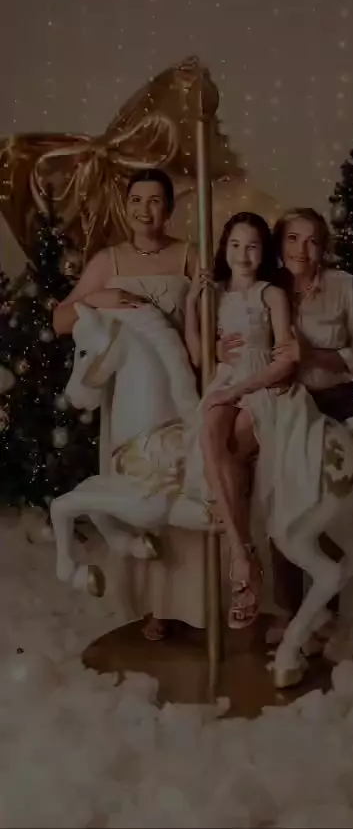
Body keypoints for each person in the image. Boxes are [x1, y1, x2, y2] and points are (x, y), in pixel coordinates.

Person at [53, 167, 202, 642]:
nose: (144, 210)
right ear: (126, 206)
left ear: (169, 208)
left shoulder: (189, 255)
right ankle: (152, 605)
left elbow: (211, 316)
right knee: (136, 493)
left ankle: (195, 602)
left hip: (182, 388)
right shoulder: (108, 260)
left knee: (185, 489)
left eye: (155, 200)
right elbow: (61, 319)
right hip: (133, 401)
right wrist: (100, 296)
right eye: (136, 200)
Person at [216, 207, 353, 641]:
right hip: (282, 400)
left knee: (322, 504)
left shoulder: (342, 286)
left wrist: (316, 356)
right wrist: (218, 348)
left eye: (312, 241)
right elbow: (240, 334)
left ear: (323, 247)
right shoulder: (268, 287)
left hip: (331, 400)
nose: (301, 250)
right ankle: (288, 608)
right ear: (279, 243)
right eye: (292, 238)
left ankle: (325, 613)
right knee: (281, 501)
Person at [185, 211, 326, 630]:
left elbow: (286, 359)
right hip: (225, 381)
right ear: (224, 248)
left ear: (264, 252)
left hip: (261, 385)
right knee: (209, 430)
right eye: (234, 245)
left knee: (228, 444)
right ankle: (241, 552)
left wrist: (237, 390)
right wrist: (192, 305)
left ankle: (244, 565)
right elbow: (199, 356)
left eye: (252, 246)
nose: (242, 255)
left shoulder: (271, 294)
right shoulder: (216, 293)